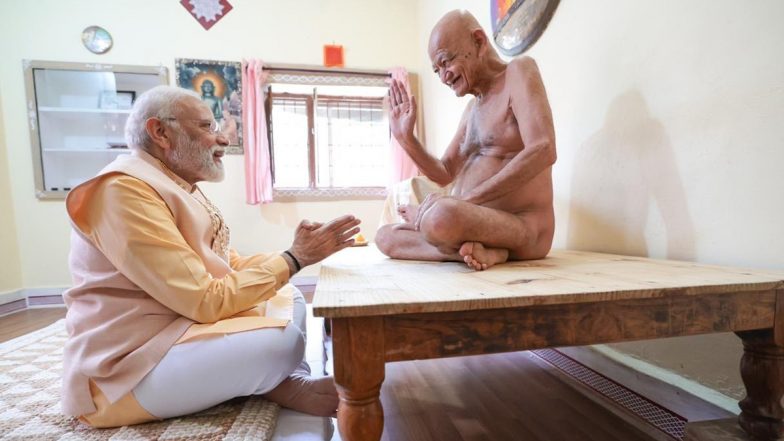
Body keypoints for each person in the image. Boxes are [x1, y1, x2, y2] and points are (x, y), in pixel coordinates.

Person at [61, 85, 361, 427]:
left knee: (287, 294)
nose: (223, 139)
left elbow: (226, 263)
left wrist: (292, 256)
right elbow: (204, 300)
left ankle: (275, 381)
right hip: (129, 365)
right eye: (207, 127)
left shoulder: (173, 185)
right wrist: (294, 259)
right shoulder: (123, 190)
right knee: (282, 342)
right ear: (160, 132)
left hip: (177, 330)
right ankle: (274, 380)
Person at [376, 9, 556, 271]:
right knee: (386, 237)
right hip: (474, 224)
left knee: (439, 217)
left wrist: (463, 202)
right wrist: (406, 139)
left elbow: (544, 149)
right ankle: (477, 252)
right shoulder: (472, 110)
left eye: (446, 62)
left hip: (524, 227)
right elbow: (445, 172)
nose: (443, 76)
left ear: (479, 42)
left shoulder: (518, 71)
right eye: (437, 70)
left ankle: (467, 239)